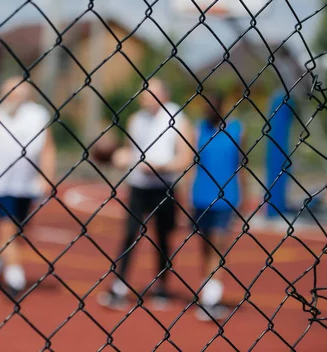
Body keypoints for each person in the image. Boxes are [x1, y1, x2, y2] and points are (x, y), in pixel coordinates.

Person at [97, 78, 194, 311]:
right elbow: (131, 152)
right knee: (130, 233)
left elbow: (187, 157)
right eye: (144, 93)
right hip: (139, 185)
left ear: (164, 95)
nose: (145, 97)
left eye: (151, 93)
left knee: (163, 237)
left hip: (164, 186)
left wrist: (159, 167)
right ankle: (119, 286)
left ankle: (161, 287)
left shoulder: (178, 118)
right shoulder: (136, 120)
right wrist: (120, 156)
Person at [0, 76, 56, 297]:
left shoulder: (38, 115)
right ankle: (15, 276)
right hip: (1, 182)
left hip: (27, 183)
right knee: (6, 225)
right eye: (9, 91)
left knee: (20, 230)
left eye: (17, 91)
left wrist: (47, 177)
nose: (13, 96)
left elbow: (47, 147)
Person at [192, 93, 247, 321]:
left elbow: (242, 165)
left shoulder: (237, 130)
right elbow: (192, 164)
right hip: (200, 197)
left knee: (218, 245)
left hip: (226, 197)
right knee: (204, 247)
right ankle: (208, 290)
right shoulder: (198, 130)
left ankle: (211, 298)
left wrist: (244, 196)